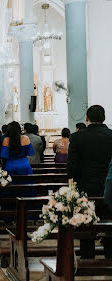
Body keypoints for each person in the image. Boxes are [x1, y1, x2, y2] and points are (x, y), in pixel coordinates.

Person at [67, 105, 112, 259]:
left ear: (87, 118)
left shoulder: (77, 137)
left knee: (86, 224)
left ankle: (87, 256)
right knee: (109, 221)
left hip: (85, 188)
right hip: (108, 188)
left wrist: (74, 186)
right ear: (104, 118)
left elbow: (72, 167)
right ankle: (110, 255)